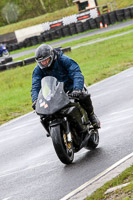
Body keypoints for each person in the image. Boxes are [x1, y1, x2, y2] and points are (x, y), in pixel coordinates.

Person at [31, 44, 100, 129]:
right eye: (42, 61)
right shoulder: (38, 69)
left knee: (84, 97)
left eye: (46, 60)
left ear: (51, 56)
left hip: (72, 88)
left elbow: (76, 73)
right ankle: (51, 129)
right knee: (44, 113)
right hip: (54, 92)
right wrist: (35, 100)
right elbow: (35, 85)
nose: (44, 63)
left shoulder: (63, 60)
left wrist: (77, 89)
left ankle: (92, 116)